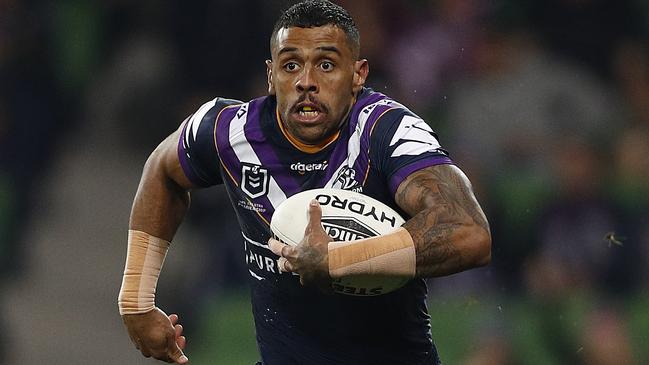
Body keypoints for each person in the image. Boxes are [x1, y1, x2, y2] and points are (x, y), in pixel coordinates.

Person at [118, 1, 491, 364]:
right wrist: (135, 301)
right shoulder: (228, 131)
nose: (306, 82)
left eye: (326, 65)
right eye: (290, 65)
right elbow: (162, 170)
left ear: (358, 75)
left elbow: (469, 233)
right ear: (270, 76)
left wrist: (338, 261)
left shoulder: (387, 131)